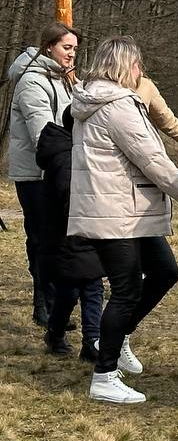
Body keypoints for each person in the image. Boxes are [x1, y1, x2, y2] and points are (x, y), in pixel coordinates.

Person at [67, 37, 178, 403]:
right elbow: (154, 162)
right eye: (137, 65)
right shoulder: (117, 106)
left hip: (128, 211)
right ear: (122, 66)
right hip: (115, 212)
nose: (140, 72)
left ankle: (115, 337)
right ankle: (104, 375)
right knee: (127, 289)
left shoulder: (99, 100)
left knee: (165, 271)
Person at [7, 23, 78, 327]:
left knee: (56, 238)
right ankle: (43, 305)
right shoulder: (32, 82)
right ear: (48, 46)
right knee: (41, 238)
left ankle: (54, 302)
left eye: (75, 48)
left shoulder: (63, 80)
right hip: (36, 174)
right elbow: (44, 134)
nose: (72, 54)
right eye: (66, 47)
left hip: (57, 170)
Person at [35, 107, 103, 362]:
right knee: (70, 290)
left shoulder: (80, 150)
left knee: (93, 285)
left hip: (84, 230)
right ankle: (55, 333)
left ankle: (91, 341)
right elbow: (68, 194)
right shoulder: (65, 156)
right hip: (66, 234)